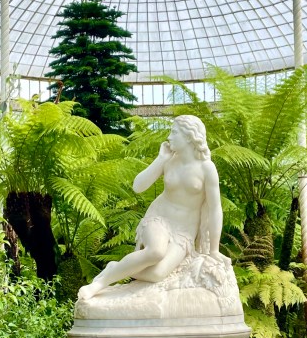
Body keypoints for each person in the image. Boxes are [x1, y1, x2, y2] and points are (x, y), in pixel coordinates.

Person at [78, 115, 227, 301]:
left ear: (189, 136)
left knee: (157, 273)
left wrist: (214, 249)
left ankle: (116, 268)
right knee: (156, 251)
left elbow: (215, 209)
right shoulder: (169, 161)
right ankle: (99, 284)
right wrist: (160, 159)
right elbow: (138, 187)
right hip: (160, 219)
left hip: (183, 233)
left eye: (174, 133)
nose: (169, 137)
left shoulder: (206, 168)